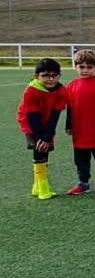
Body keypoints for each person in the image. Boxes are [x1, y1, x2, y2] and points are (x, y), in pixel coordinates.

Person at [64, 49, 95, 196]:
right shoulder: (72, 85)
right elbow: (70, 107)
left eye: (89, 67)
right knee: (81, 160)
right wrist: (68, 124)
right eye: (81, 67)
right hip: (80, 130)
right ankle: (83, 183)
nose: (85, 70)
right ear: (76, 67)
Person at [17, 58, 67, 200]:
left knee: (45, 148)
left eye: (54, 75)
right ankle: (43, 187)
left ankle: (36, 186)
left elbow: (55, 116)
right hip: (29, 122)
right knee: (39, 149)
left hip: (47, 123)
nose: (51, 79)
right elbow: (32, 116)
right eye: (45, 75)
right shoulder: (31, 91)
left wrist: (47, 136)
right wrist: (40, 137)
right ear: (36, 76)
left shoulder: (62, 91)